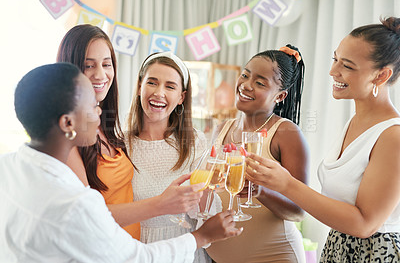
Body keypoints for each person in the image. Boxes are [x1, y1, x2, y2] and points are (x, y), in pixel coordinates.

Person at [0, 62, 242, 262]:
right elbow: (138, 258)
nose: (99, 114)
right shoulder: (76, 205)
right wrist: (201, 237)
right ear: (68, 124)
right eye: (93, 106)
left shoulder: (7, 166)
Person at [246, 17, 400, 262]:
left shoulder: (393, 136)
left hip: (373, 254)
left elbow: (364, 225)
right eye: (335, 59)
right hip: (338, 247)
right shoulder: (354, 122)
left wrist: (286, 184)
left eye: (347, 66)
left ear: (381, 76)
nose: (333, 71)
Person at [56, 24, 204, 239]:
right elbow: (84, 216)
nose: (100, 74)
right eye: (88, 66)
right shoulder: (68, 134)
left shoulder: (108, 131)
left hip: (131, 250)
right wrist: (161, 204)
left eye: (106, 64)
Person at [206, 45, 309, 263]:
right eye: (245, 75)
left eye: (260, 83)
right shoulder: (221, 129)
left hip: (274, 256)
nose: (246, 85)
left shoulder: (285, 133)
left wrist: (260, 192)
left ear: (280, 96)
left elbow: (299, 210)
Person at [126, 51, 217, 263]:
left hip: (184, 251)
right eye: (152, 82)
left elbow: (204, 213)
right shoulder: (121, 144)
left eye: (170, 86)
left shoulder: (195, 143)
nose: (159, 93)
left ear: (181, 98)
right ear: (140, 86)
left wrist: (213, 183)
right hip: (137, 251)